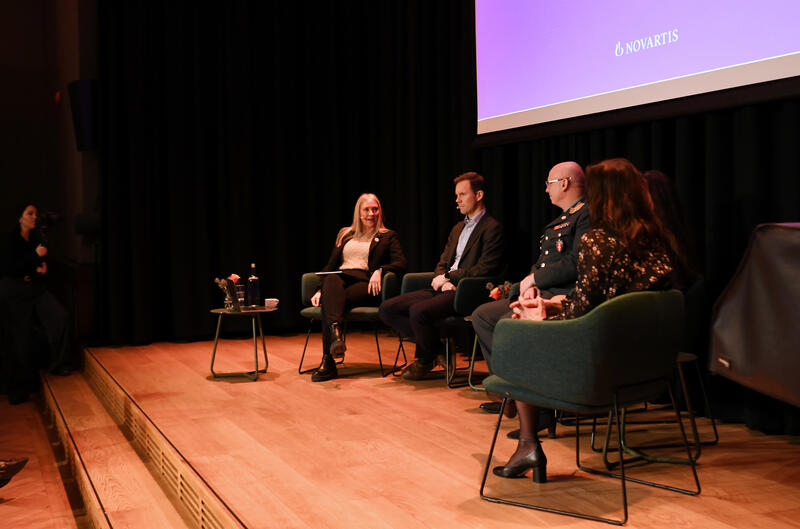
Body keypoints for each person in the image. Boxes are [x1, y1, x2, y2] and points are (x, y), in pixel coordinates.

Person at [492, 158, 675, 483]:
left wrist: (546, 311)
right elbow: (612, 303)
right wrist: (558, 304)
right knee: (530, 320)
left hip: (597, 372)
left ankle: (528, 443)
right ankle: (528, 442)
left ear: (604, 196)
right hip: (648, 367)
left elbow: (584, 316)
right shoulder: (656, 238)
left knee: (516, 330)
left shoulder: (598, 241)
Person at [471, 162, 589, 420]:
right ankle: (510, 393)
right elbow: (543, 261)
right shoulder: (560, 220)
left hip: (564, 296)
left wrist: (536, 279)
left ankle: (536, 402)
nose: (546, 190)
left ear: (565, 183)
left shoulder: (585, 216)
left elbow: (575, 263)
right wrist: (529, 283)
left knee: (507, 324)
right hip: (542, 292)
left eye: (549, 183)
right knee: (483, 316)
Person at [379, 172, 504, 380]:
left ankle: (426, 359)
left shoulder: (492, 228)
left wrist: (450, 278)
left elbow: (486, 267)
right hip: (445, 287)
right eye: (456, 195)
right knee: (387, 309)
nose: (457, 200)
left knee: (418, 311)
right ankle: (437, 350)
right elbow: (442, 262)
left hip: (466, 291)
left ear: (479, 195)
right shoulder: (457, 228)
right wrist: (442, 278)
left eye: (462, 194)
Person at [308, 193, 406, 382]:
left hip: (366, 284)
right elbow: (331, 266)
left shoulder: (387, 236)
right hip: (339, 280)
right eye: (367, 209)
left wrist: (380, 269)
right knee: (332, 280)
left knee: (330, 301)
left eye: (375, 209)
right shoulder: (345, 234)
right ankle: (335, 336)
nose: (371, 213)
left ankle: (328, 361)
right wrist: (320, 289)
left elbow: (401, 263)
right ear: (359, 213)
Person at [0, 204, 73, 405]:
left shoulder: (36, 237)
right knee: (19, 338)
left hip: (35, 289)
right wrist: (35, 258)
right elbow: (9, 267)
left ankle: (60, 363)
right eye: (29, 213)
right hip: (14, 291)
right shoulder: (9, 239)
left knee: (60, 317)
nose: (34, 217)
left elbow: (35, 264)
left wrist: (41, 268)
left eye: (35, 213)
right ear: (19, 218)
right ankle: (19, 388)